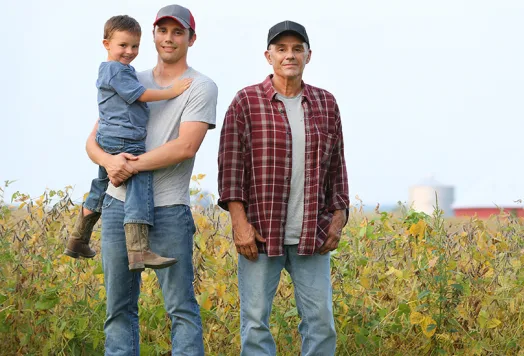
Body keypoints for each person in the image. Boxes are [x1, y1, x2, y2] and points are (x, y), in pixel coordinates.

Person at [83, 4, 217, 355]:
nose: (168, 38)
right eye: (162, 31)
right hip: (117, 207)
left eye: (178, 32)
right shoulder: (128, 76)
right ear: (153, 34)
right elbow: (93, 141)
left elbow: (185, 147)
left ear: (191, 38)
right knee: (119, 310)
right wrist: (111, 163)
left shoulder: (200, 86)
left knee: (181, 309)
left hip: (169, 209)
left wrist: (130, 166)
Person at [217, 20, 349, 355]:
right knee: (255, 322)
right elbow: (231, 169)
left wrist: (338, 219)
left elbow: (337, 168)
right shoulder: (246, 102)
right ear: (268, 55)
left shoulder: (326, 104)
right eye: (281, 49)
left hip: (311, 234)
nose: (289, 55)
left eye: (296, 49)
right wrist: (239, 224)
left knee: (321, 323)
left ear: (308, 55)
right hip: (260, 233)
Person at [64, 14, 192, 271]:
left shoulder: (117, 70)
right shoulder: (115, 70)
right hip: (124, 138)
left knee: (101, 185)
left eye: (135, 46)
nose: (129, 51)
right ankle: (139, 250)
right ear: (106, 44)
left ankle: (77, 239)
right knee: (140, 183)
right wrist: (171, 92)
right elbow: (140, 94)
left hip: (110, 136)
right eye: (123, 45)